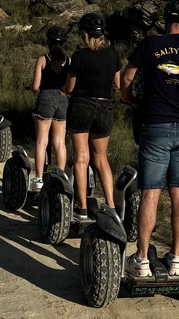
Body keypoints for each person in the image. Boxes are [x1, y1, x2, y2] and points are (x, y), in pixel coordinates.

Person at [120, 0, 179, 278]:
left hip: (155, 122)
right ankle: (177, 259)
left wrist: (130, 99)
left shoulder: (150, 43)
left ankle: (142, 260)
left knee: (151, 191)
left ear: (165, 21)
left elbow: (126, 78)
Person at [63, 13, 122, 221]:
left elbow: (69, 88)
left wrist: (65, 89)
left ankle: (83, 207)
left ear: (85, 34)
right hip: (105, 106)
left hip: (81, 106)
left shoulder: (79, 56)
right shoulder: (113, 54)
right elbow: (117, 84)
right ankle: (111, 206)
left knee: (81, 158)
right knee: (101, 159)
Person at [29, 26, 70, 192]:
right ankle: (61, 178)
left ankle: (39, 179)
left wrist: (31, 88)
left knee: (41, 141)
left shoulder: (43, 59)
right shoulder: (69, 60)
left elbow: (36, 86)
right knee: (59, 142)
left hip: (45, 99)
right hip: (62, 99)